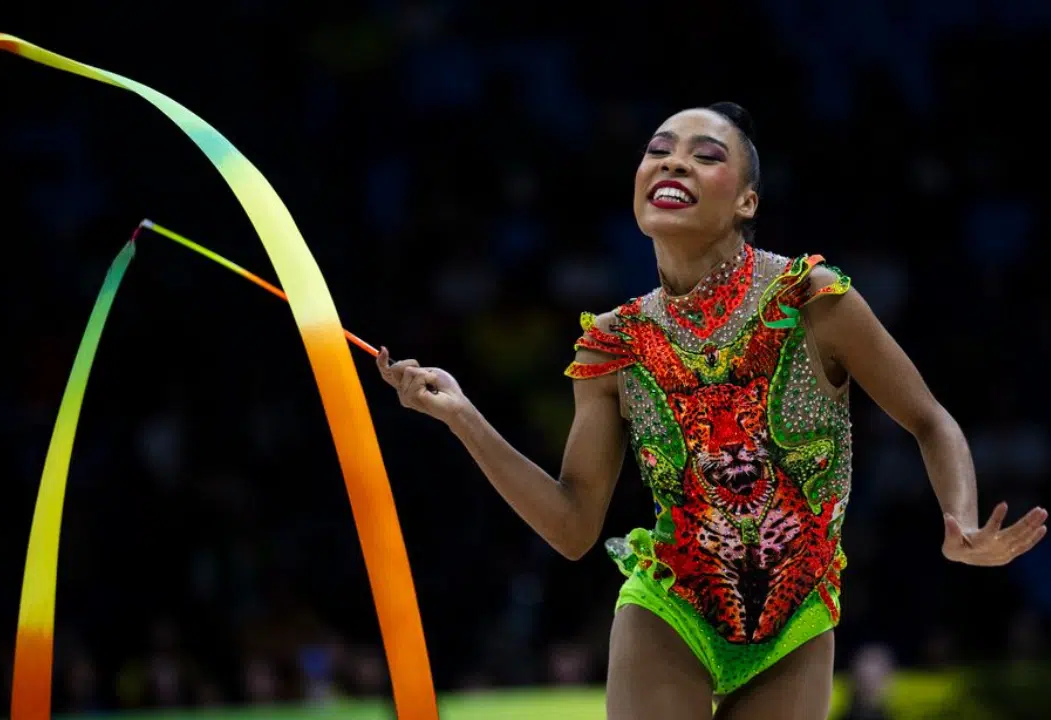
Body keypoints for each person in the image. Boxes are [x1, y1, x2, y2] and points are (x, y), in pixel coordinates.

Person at [375, 102, 1048, 720]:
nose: (672, 162)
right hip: (672, 608)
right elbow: (573, 525)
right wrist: (463, 417)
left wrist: (960, 520)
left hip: (796, 620)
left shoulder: (809, 300)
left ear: (746, 200)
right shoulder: (614, 343)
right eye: (658, 150)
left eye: (704, 155)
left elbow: (930, 419)